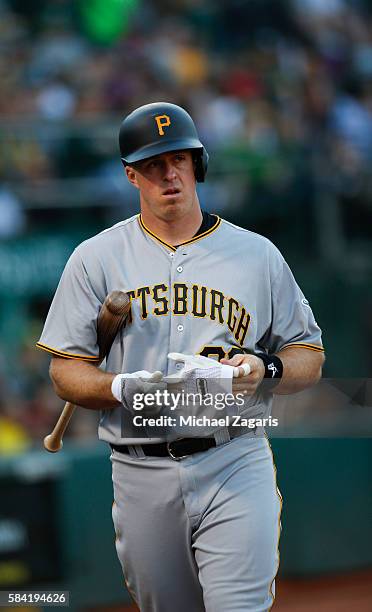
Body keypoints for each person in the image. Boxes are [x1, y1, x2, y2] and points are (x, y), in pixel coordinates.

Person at [37, 102, 325, 611]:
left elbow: (308, 355)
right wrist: (118, 388)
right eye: (153, 163)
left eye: (180, 158)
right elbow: (65, 372)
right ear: (131, 175)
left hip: (234, 456)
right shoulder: (96, 258)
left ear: (199, 164)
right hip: (139, 469)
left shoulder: (256, 254)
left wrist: (266, 370)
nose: (169, 173)